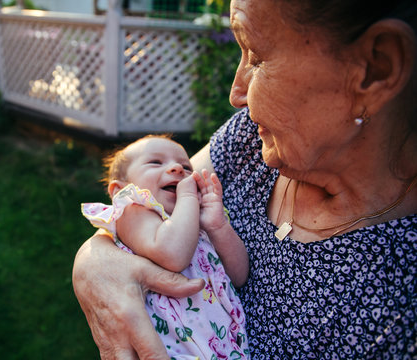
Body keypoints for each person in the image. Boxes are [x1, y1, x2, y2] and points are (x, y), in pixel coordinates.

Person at [72, 0, 417, 358]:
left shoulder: (403, 305)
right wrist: (92, 263)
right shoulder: (256, 136)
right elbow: (152, 203)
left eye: (256, 56)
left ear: (375, 68)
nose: (237, 95)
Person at [81, 135, 250, 359]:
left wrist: (218, 226)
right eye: (155, 162)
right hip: (174, 347)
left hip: (223, 346)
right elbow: (173, 256)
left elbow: (238, 276)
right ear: (118, 190)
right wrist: (188, 195)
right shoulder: (134, 210)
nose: (177, 168)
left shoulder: (195, 219)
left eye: (186, 166)